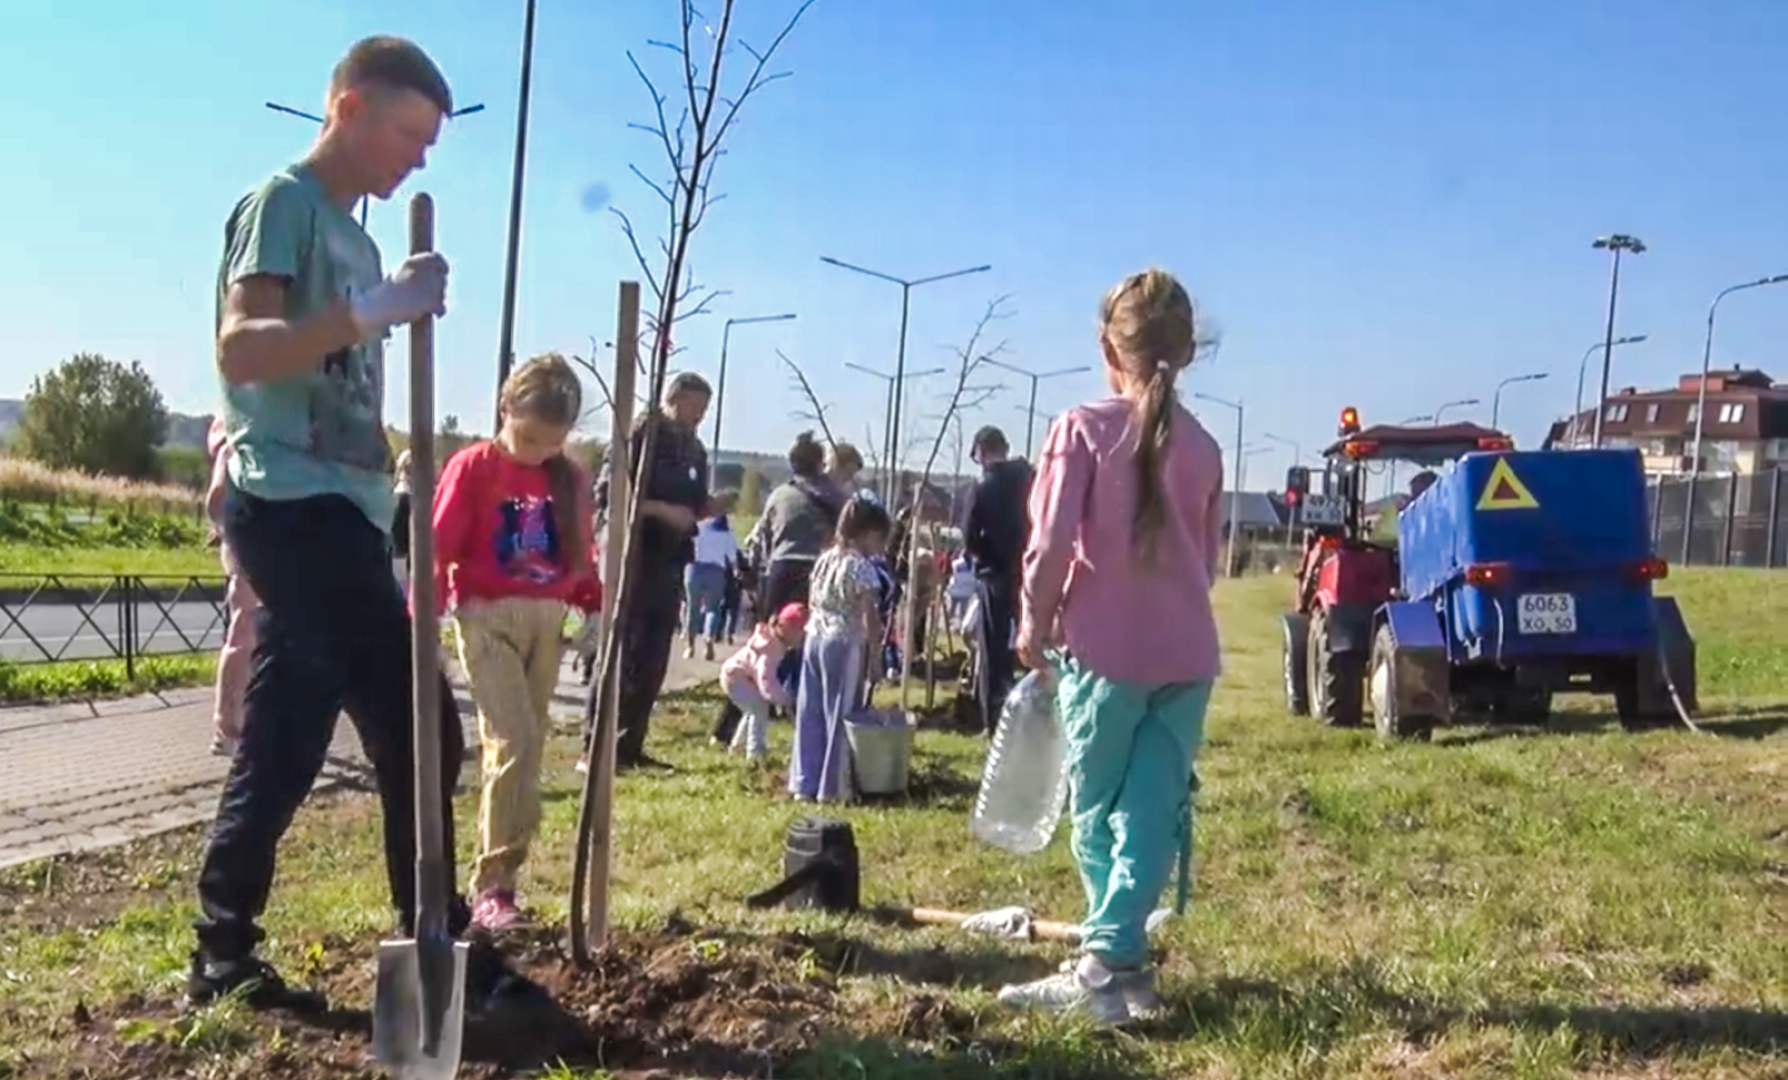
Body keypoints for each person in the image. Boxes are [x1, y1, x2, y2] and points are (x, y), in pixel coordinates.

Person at [193, 35, 520, 1012]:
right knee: (418, 724)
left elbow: (339, 377)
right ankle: (438, 940)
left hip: (345, 507)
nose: (417, 158)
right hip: (292, 506)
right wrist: (375, 306)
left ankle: (223, 955)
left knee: (286, 739)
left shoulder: (361, 236)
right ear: (348, 109)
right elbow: (245, 349)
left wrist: (391, 313)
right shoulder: (282, 206)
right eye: (409, 134)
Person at [998, 268, 1223, 1025]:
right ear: (1187, 352)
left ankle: (1106, 965)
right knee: (1154, 812)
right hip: (1188, 656)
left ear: (1106, 346)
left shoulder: (1082, 430)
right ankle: (1122, 965)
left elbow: (1051, 544)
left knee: (1094, 813)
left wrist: (1033, 623)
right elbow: (1210, 560)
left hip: (1105, 655)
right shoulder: (1207, 448)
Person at [433, 355, 601, 931]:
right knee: (515, 738)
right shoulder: (472, 468)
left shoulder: (570, 480)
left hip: (546, 619)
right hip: (486, 617)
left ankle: (507, 878)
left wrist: (592, 607)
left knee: (530, 746)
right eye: (527, 437)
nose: (536, 452)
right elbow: (437, 547)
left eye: (551, 443)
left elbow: (581, 553)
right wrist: (425, 623)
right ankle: (492, 887)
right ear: (505, 409)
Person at [579, 371, 712, 775]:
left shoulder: (696, 451)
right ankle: (596, 748)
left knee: (652, 659)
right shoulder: (643, 434)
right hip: (632, 555)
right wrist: (658, 510)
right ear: (674, 399)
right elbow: (612, 496)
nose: (699, 417)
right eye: (694, 407)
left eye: (704, 410)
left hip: (671, 560)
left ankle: (630, 745)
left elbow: (692, 504)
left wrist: (704, 510)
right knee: (620, 653)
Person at [788, 497, 891, 803]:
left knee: (811, 710)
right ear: (868, 533)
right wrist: (875, 656)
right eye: (880, 539)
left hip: (814, 638)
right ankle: (834, 787)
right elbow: (868, 615)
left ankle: (804, 782)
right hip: (843, 641)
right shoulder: (860, 567)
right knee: (842, 713)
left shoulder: (825, 559)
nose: (881, 547)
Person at [963, 425, 1034, 732]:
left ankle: (994, 720)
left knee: (992, 648)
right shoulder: (1030, 479)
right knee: (1033, 640)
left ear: (981, 450)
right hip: (1029, 570)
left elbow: (969, 535)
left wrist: (981, 557)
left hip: (994, 574)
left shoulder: (982, 487)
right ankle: (1034, 714)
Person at [205, 417, 257, 759]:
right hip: (251, 544)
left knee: (254, 635)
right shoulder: (236, 446)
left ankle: (243, 722)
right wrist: (232, 530)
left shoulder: (237, 442)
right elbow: (216, 498)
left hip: (248, 541)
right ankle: (228, 728)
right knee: (244, 632)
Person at [752, 431, 841, 613]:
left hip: (782, 567)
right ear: (819, 463)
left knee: (774, 631)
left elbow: (763, 535)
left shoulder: (778, 495)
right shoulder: (835, 496)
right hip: (819, 569)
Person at [716, 602, 808, 761]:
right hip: (735, 678)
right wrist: (782, 699)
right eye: (801, 633)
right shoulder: (770, 648)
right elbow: (766, 679)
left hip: (741, 678)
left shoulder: (775, 642)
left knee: (753, 710)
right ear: (787, 628)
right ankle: (755, 752)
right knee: (758, 709)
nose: (803, 638)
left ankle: (738, 746)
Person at [684, 503, 739, 661]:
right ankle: (709, 638)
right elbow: (733, 557)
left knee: (692, 607)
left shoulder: (698, 526)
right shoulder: (727, 532)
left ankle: (690, 647)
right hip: (716, 571)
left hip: (695, 568)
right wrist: (736, 572)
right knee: (712, 609)